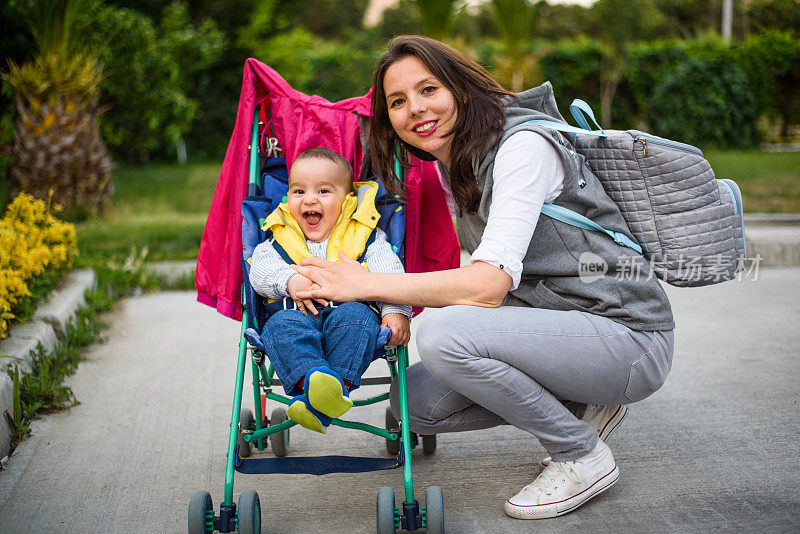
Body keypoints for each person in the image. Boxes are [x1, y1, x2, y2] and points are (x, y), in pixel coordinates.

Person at [292, 36, 675, 519]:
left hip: (628, 337)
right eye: (397, 102)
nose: (415, 110)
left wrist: (364, 283)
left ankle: (580, 454)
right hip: (562, 323)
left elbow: (488, 284)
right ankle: (586, 405)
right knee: (415, 404)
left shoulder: (523, 147)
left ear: (460, 87)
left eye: (428, 89)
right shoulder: (457, 162)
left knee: (442, 333)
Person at [249, 147, 411, 434]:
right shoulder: (278, 234)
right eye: (298, 192)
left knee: (359, 320)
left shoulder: (365, 236)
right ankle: (316, 382)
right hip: (293, 314)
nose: (309, 199)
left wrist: (396, 311)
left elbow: (390, 274)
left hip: (349, 313)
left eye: (323, 191)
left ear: (347, 201)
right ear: (288, 197)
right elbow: (258, 272)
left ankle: (321, 397)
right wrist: (290, 281)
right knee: (279, 327)